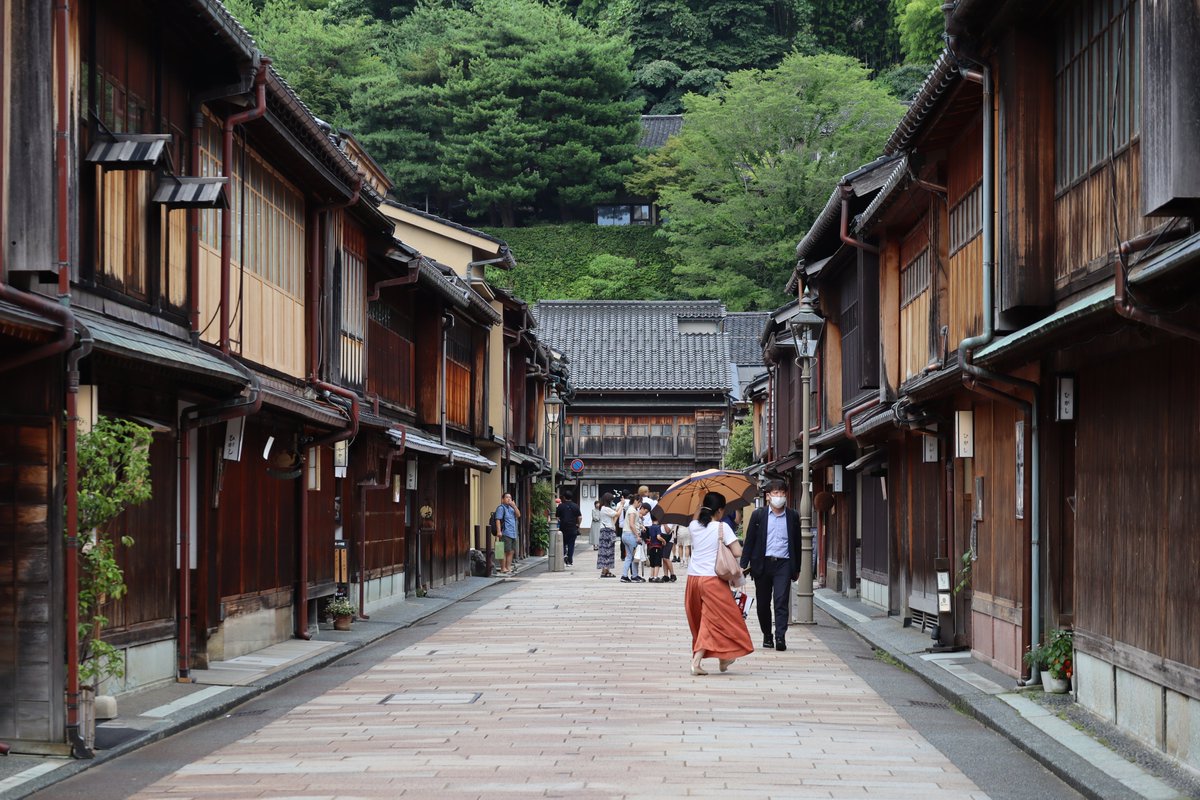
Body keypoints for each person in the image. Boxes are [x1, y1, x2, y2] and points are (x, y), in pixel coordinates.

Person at [686, 491, 754, 675]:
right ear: (721, 510)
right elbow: (738, 551)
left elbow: (697, 516)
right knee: (725, 618)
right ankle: (696, 660)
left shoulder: (693, 526)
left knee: (704, 619)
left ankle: (724, 658)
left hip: (693, 579)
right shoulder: (722, 527)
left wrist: (700, 499)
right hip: (712, 580)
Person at [740, 479, 802, 651]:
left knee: (781, 600)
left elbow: (797, 543)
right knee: (763, 603)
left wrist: (797, 568)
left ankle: (780, 636)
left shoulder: (793, 516)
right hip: (762, 564)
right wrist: (742, 566)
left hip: (784, 563)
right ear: (768, 496)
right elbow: (750, 541)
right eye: (776, 493)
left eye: (782, 493)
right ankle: (767, 634)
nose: (779, 497)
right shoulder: (758, 515)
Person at [493, 492, 521, 575]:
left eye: (510, 497)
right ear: (502, 499)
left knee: (511, 551)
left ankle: (508, 567)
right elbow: (498, 520)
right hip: (505, 532)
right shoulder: (501, 508)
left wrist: (514, 506)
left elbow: (518, 515)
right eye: (507, 497)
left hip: (513, 532)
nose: (509, 499)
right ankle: (503, 568)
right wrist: (499, 531)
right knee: (503, 550)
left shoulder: (512, 508)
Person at [621, 497, 645, 583]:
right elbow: (631, 524)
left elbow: (633, 523)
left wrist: (641, 526)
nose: (640, 504)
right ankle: (633, 576)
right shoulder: (632, 510)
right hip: (630, 535)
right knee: (635, 556)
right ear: (635, 501)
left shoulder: (630, 509)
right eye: (639, 502)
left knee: (629, 556)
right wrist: (637, 536)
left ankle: (625, 575)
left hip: (625, 534)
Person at [555, 488, 582, 566]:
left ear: (564, 497)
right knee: (571, 544)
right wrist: (578, 525)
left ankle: (563, 556)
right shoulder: (575, 506)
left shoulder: (560, 506)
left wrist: (561, 521)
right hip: (573, 527)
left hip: (563, 528)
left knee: (562, 543)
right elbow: (580, 517)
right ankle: (570, 561)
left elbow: (557, 517)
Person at [596, 493, 619, 578]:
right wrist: (622, 505)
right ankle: (605, 570)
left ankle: (605, 571)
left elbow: (614, 518)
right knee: (607, 551)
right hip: (607, 531)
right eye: (611, 500)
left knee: (605, 551)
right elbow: (617, 514)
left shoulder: (603, 508)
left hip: (605, 530)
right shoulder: (605, 508)